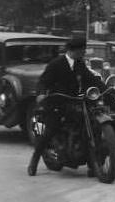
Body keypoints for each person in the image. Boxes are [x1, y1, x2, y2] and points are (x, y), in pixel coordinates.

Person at [27, 33, 104, 177]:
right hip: (58, 103)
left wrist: (109, 90)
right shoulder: (56, 63)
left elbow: (91, 79)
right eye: (83, 50)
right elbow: (43, 81)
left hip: (76, 102)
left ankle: (93, 164)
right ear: (75, 50)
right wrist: (41, 93)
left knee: (91, 127)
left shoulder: (80, 64)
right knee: (50, 130)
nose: (84, 52)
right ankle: (34, 160)